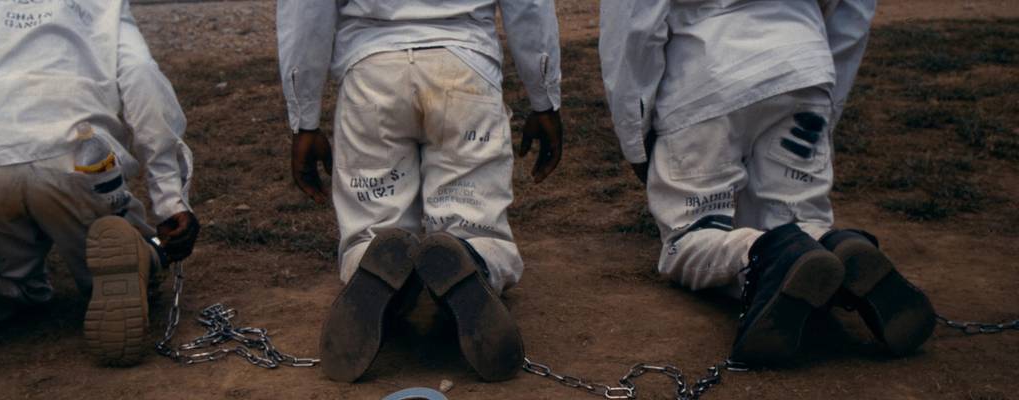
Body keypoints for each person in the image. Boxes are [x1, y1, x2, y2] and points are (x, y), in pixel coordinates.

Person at [0, 0, 199, 385]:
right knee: (114, 248)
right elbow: (141, 75)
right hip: (76, 155)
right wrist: (169, 197)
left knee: (4, 289)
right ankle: (135, 259)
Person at [600, 0, 936, 365]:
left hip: (705, 71)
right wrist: (825, 96)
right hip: (804, 61)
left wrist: (635, 138)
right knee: (795, 220)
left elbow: (634, 19)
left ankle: (765, 254)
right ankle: (837, 246)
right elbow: (854, 10)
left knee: (689, 237)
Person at [276, 0, 564, 382]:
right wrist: (544, 99)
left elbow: (305, 11)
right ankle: (469, 257)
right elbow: (529, 5)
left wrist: (304, 120)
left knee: (373, 226)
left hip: (371, 74)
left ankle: (377, 267)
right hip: (464, 68)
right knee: (475, 224)